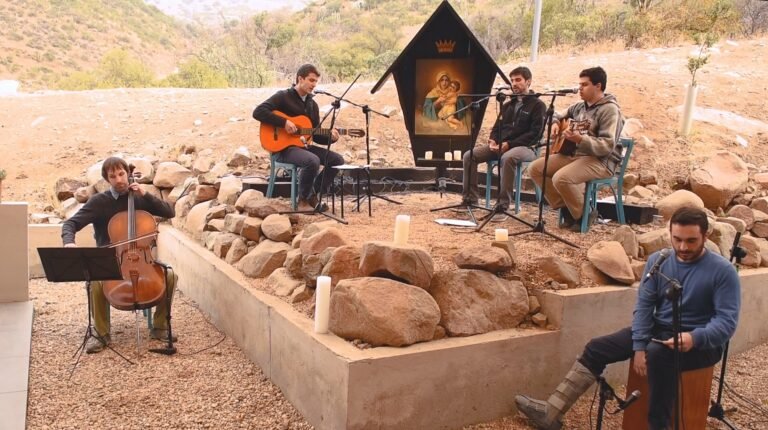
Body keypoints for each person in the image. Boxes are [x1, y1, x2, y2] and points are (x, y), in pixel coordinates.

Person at [515, 206, 741, 430]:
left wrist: (694, 337)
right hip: (659, 331)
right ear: (670, 233)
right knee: (597, 348)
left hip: (702, 343)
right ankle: (551, 412)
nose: (683, 247)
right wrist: (639, 345)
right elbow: (644, 306)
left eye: (691, 241)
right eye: (677, 239)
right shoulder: (658, 261)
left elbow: (727, 322)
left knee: (659, 356)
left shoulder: (723, 271)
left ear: (706, 235)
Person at [61, 156, 177, 353]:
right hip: (110, 260)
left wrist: (146, 195)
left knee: (170, 275)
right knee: (95, 283)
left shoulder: (139, 197)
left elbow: (169, 212)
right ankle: (101, 334)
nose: (119, 179)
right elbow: (70, 224)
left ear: (128, 173)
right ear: (107, 179)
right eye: (113, 176)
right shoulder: (99, 202)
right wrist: (69, 242)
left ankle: (159, 327)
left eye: (122, 174)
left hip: (142, 258)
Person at [528, 66, 624, 231]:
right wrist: (556, 124)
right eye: (579, 84)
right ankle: (568, 208)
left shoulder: (610, 110)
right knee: (535, 169)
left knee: (561, 178)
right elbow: (558, 114)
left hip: (600, 160)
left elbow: (607, 145)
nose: (580, 88)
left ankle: (585, 213)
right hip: (574, 154)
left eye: (584, 85)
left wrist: (581, 139)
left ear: (598, 86)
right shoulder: (579, 107)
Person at [458, 66, 546, 218]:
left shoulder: (538, 105)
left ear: (528, 82)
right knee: (469, 155)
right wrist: (493, 140)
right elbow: (497, 127)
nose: (514, 84)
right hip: (502, 145)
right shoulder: (507, 105)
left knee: (507, 158)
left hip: (526, 148)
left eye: (518, 80)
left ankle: (502, 206)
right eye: (512, 81)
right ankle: (470, 199)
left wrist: (509, 145)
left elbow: (535, 133)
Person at [253, 63, 343, 211]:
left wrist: (331, 137)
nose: (314, 84)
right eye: (311, 80)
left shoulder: (312, 105)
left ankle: (312, 194)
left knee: (337, 160)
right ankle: (302, 201)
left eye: (316, 81)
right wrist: (284, 122)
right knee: (312, 160)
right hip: (282, 149)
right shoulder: (283, 97)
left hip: (302, 147)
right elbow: (258, 112)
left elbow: (315, 135)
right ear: (300, 79)